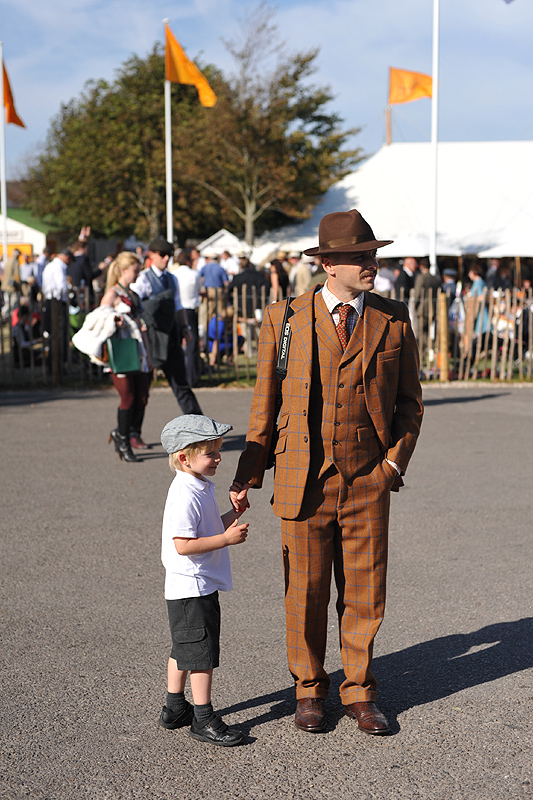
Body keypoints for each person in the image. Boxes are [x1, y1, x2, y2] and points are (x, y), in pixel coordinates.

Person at [230, 208, 423, 735]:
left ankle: (360, 690)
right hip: (303, 480)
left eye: (373, 255)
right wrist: (248, 473)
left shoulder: (393, 317)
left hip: (367, 479)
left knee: (364, 591)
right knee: (306, 592)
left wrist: (390, 466)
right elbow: (264, 405)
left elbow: (410, 403)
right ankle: (309, 690)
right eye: (360, 257)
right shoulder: (284, 318)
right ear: (328, 264)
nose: (371, 264)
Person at [159, 415, 249, 747]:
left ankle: (174, 708)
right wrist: (226, 539)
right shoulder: (185, 494)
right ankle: (203, 718)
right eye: (211, 452)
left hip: (189, 586)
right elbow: (183, 545)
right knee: (201, 654)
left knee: (183, 647)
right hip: (192, 586)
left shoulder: (196, 485)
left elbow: (206, 530)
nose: (218, 458)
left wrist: (233, 516)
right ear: (184, 457)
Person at [130, 237, 203, 417]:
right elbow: (133, 304)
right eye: (162, 255)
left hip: (170, 337)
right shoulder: (143, 279)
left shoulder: (172, 278)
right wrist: (141, 324)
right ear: (152, 255)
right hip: (152, 338)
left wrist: (185, 327)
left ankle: (200, 429)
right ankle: (132, 432)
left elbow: (178, 306)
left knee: (181, 385)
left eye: (169, 256)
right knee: (143, 389)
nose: (165, 259)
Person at [100, 252, 151, 460]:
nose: (138, 274)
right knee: (127, 397)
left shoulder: (133, 294)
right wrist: (114, 322)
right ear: (123, 270)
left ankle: (122, 433)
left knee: (142, 397)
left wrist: (148, 354)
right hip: (120, 352)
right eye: (135, 270)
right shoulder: (112, 294)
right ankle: (124, 442)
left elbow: (141, 324)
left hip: (137, 351)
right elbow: (100, 320)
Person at [170, 251, 202, 387]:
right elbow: (198, 290)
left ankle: (179, 376)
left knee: (178, 343)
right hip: (189, 309)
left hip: (177, 309)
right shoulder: (194, 274)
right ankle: (192, 377)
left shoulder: (174, 275)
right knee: (192, 344)